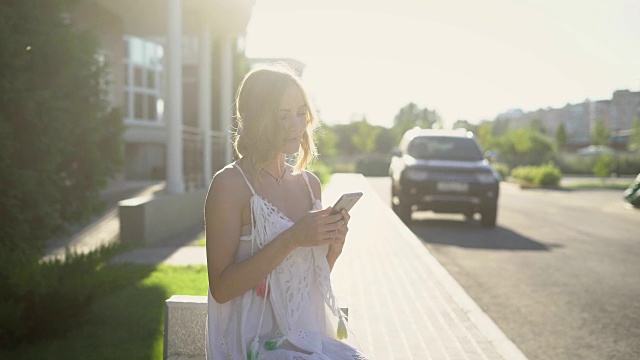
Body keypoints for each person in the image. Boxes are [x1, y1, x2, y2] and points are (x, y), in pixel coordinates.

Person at [204, 63, 368, 360]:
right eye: (282, 115)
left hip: (303, 337)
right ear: (257, 119)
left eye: (301, 112)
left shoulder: (310, 185)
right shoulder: (229, 185)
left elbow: (302, 289)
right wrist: (293, 238)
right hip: (253, 342)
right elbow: (222, 288)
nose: (296, 124)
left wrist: (332, 250)